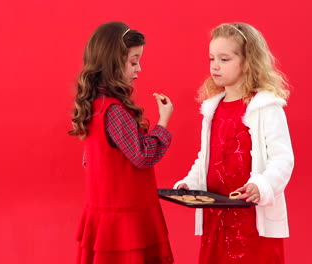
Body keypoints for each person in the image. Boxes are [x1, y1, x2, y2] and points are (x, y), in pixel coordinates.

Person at [174, 22, 294, 264]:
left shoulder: (265, 107)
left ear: (248, 62)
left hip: (251, 220)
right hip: (217, 219)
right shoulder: (213, 108)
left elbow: (283, 159)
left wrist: (261, 185)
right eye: (212, 58)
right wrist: (190, 183)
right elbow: (206, 157)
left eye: (224, 59)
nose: (215, 65)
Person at [69, 21, 174, 264]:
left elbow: (92, 161)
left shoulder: (94, 107)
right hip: (125, 219)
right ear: (112, 63)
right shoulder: (114, 110)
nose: (139, 68)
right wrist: (164, 122)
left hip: (108, 213)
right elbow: (142, 156)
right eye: (134, 61)